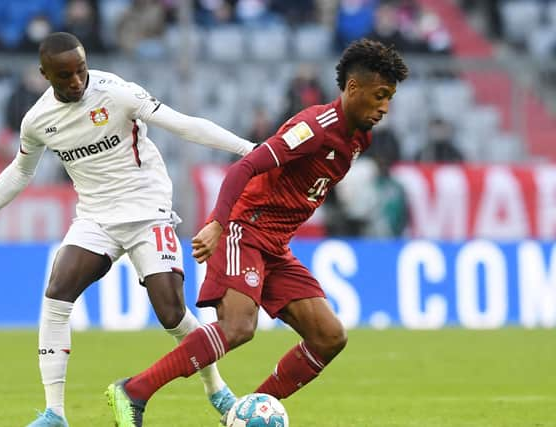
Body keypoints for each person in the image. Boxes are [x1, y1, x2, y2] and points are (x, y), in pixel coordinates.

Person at [0, 32, 256, 427]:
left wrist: (250, 151)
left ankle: (215, 389)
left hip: (147, 210)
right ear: (45, 75)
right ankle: (54, 413)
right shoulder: (37, 120)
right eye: (65, 76)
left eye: (80, 70)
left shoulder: (116, 93)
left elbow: (182, 124)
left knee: (171, 312)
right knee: (56, 292)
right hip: (96, 218)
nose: (77, 81)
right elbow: (19, 172)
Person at [105, 38, 408, 426]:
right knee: (238, 326)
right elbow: (243, 168)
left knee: (329, 336)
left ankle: (243, 414)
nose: (384, 108)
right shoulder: (314, 128)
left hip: (275, 246)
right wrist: (218, 222)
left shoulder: (359, 137)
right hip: (243, 229)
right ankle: (134, 390)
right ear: (353, 88)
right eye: (380, 96)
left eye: (390, 99)